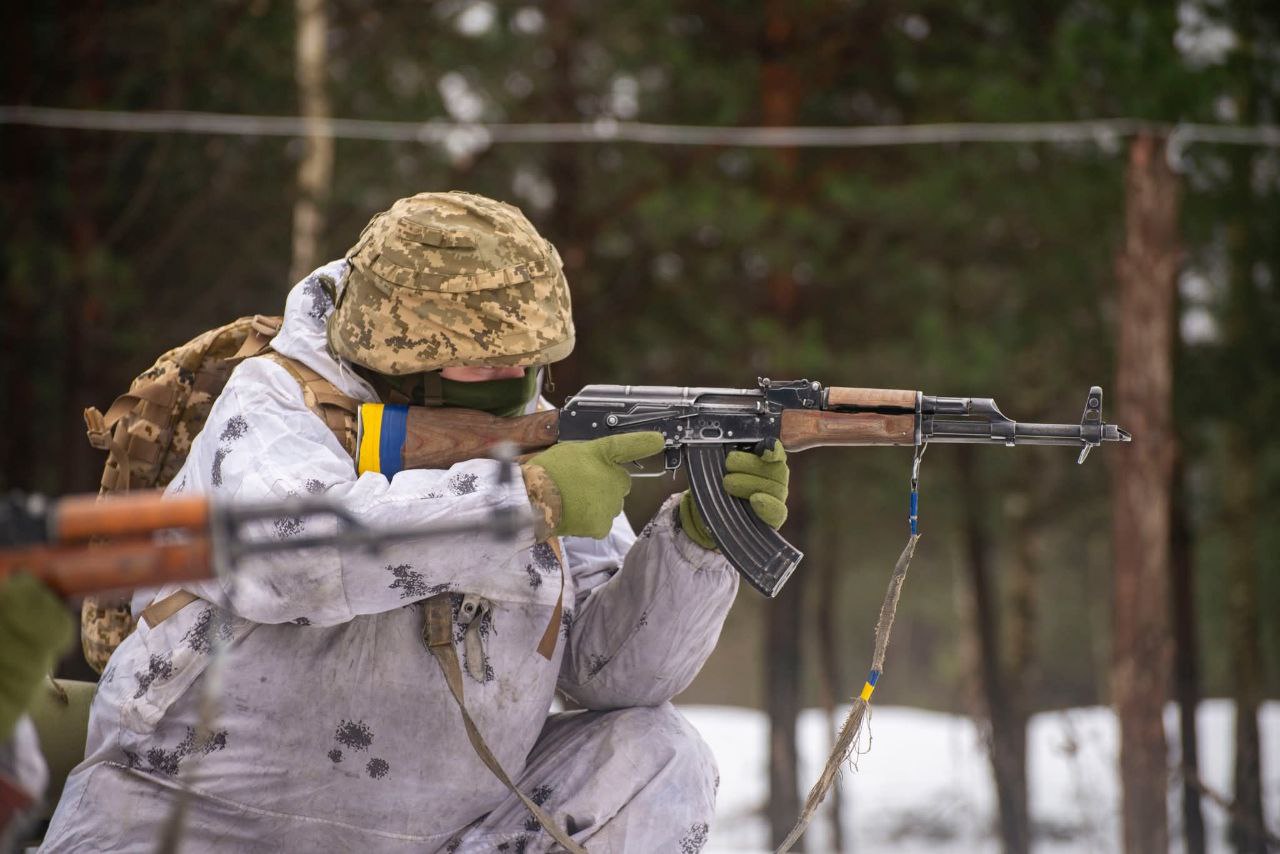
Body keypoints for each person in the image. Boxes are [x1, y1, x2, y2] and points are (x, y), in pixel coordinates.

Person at [41, 191, 789, 852]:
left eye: (526, 358)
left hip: (436, 834)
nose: (514, 380)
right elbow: (292, 559)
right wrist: (520, 501)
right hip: (190, 822)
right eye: (483, 359)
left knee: (659, 753)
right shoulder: (271, 402)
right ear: (398, 351)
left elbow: (609, 675)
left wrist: (695, 546)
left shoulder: (535, 434)